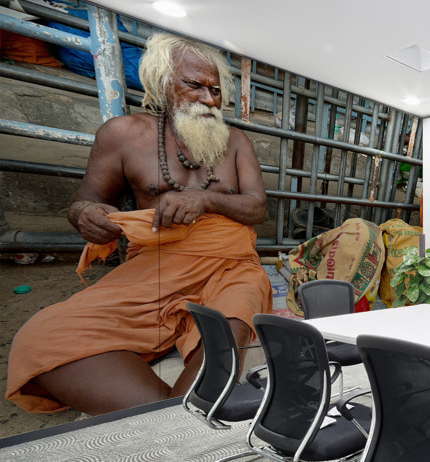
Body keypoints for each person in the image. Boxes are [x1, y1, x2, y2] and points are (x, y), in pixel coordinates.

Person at [6, 33, 273, 416]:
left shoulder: (236, 141)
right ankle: (169, 418)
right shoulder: (122, 134)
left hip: (231, 266)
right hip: (156, 265)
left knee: (229, 323)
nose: (210, 100)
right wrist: (87, 215)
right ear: (162, 82)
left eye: (216, 90)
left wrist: (206, 199)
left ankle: (168, 420)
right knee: (38, 338)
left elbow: (256, 209)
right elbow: (84, 202)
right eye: (194, 85)